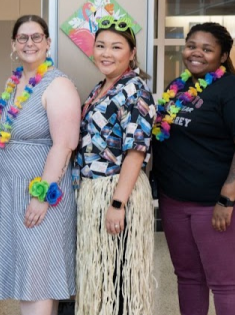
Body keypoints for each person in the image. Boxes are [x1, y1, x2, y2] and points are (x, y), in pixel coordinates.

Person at [153, 22, 235, 315]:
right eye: (192, 45)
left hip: (220, 202)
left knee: (225, 282)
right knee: (189, 277)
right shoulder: (178, 88)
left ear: (223, 54)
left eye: (207, 48)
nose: (197, 53)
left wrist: (226, 199)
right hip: (176, 200)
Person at [0, 15, 79, 315]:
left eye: (36, 37)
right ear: (14, 44)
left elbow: (64, 144)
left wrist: (42, 196)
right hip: (13, 194)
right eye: (23, 38)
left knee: (38, 279)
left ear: (48, 42)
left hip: (40, 194)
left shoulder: (58, 84)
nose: (30, 43)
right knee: (29, 276)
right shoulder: (14, 81)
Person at [75, 16, 155, 315]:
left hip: (117, 192)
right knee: (100, 276)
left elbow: (136, 151)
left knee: (119, 277)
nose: (106, 53)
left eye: (116, 47)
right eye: (101, 46)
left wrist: (118, 203)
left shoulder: (135, 91)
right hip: (94, 192)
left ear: (131, 53)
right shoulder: (101, 87)